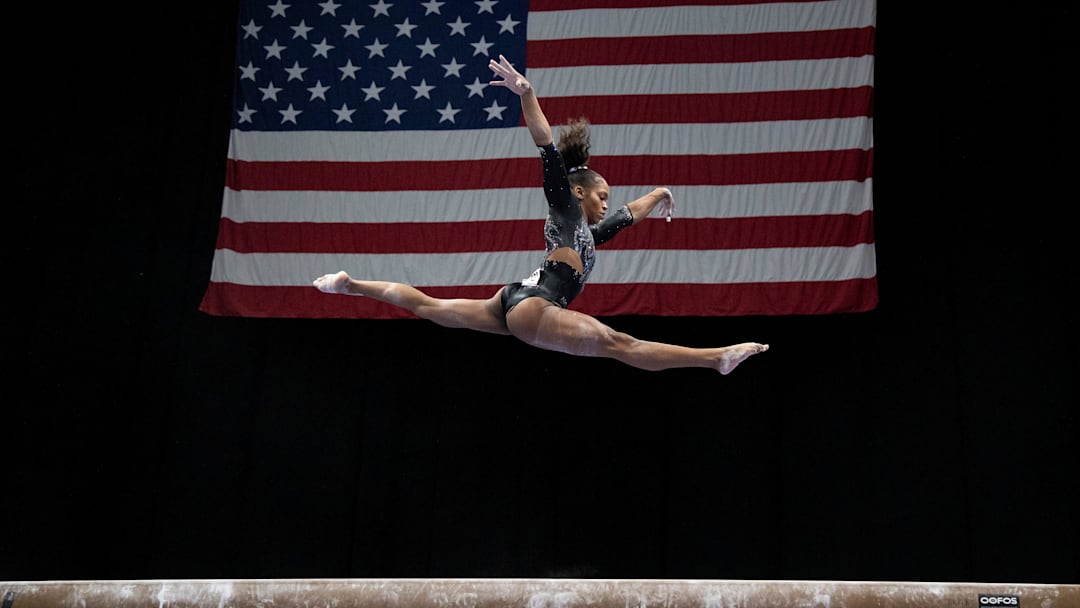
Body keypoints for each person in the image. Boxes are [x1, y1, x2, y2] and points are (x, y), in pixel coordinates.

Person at [313, 55, 768, 375]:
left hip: (514, 298)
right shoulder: (564, 203)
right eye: (601, 195)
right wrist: (527, 93)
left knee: (430, 307)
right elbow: (546, 144)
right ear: (577, 191)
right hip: (535, 306)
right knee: (620, 345)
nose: (606, 203)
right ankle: (715, 358)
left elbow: (627, 216)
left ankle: (350, 284)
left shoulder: (581, 231)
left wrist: (660, 193)